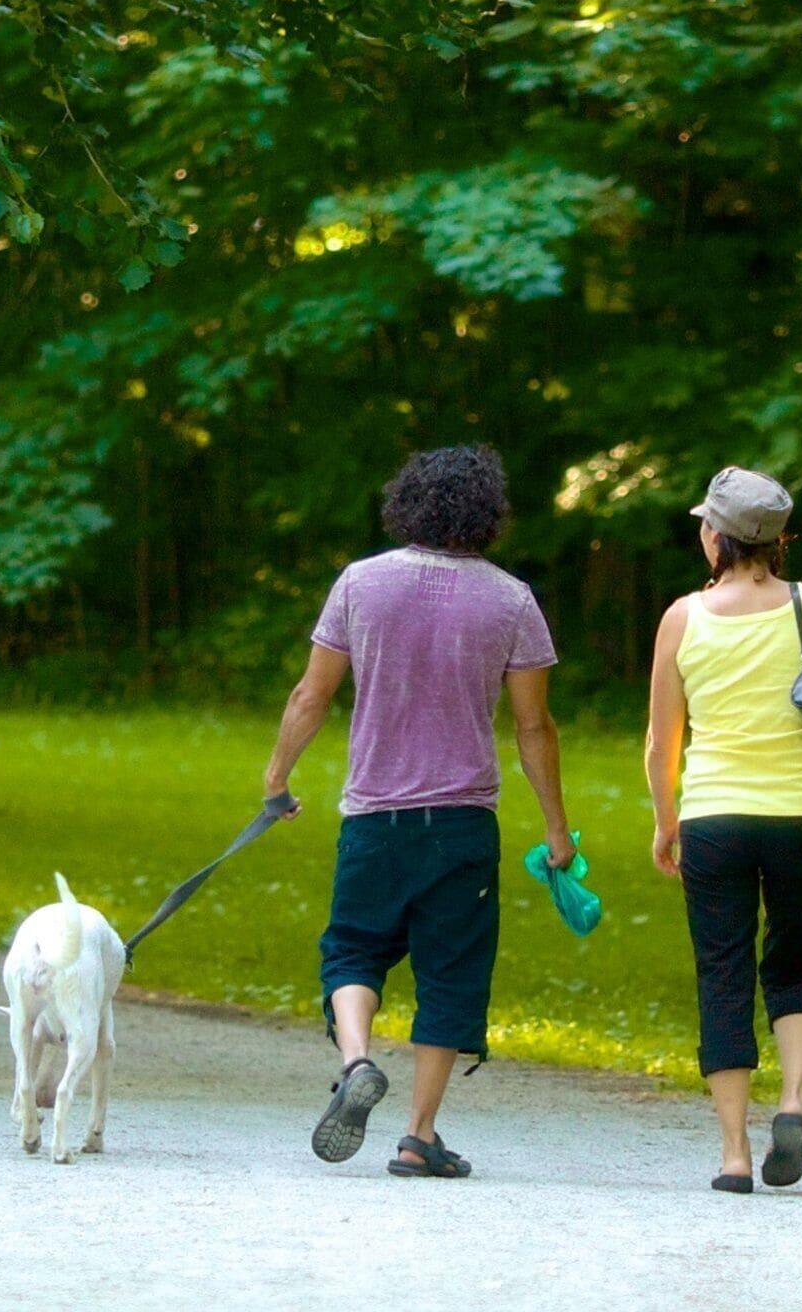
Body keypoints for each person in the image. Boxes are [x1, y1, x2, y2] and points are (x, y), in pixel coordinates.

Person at [262, 443, 578, 1179]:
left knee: (353, 949)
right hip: (462, 824)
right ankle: (418, 1137)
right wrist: (556, 828)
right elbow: (534, 727)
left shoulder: (360, 583)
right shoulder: (512, 600)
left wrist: (277, 778)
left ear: (407, 503)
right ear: (488, 513)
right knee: (451, 973)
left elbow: (312, 694)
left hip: (374, 817)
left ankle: (356, 1062)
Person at [643, 464, 802, 1194]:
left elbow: (661, 741)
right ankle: (793, 1102)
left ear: (716, 538)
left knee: (723, 972)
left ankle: (734, 1156)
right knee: (798, 960)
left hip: (714, 816)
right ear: (778, 540)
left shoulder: (683, 617)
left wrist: (665, 822)